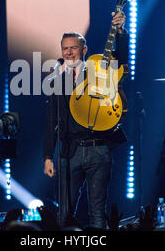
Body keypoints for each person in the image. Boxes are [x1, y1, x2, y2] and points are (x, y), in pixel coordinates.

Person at [43, 12, 129, 229]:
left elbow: (121, 60)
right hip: (69, 153)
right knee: (64, 213)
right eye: (65, 48)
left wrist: (120, 32)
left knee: (97, 214)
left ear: (84, 50)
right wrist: (47, 156)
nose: (69, 52)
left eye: (73, 47)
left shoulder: (97, 71)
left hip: (98, 150)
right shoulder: (57, 81)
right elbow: (51, 120)